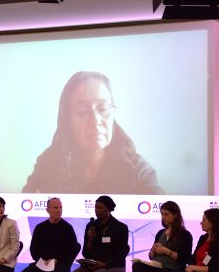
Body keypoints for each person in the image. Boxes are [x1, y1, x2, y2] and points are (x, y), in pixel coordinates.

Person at [22, 71, 163, 194]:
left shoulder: (136, 170)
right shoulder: (48, 165)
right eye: (82, 111)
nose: (95, 121)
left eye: (103, 108)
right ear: (67, 119)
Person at [17, 197, 78, 272]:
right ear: (48, 210)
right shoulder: (40, 227)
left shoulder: (67, 228)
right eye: (55, 208)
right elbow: (33, 249)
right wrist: (40, 260)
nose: (59, 210)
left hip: (61, 264)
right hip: (43, 263)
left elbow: (72, 251)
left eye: (60, 207)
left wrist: (56, 260)